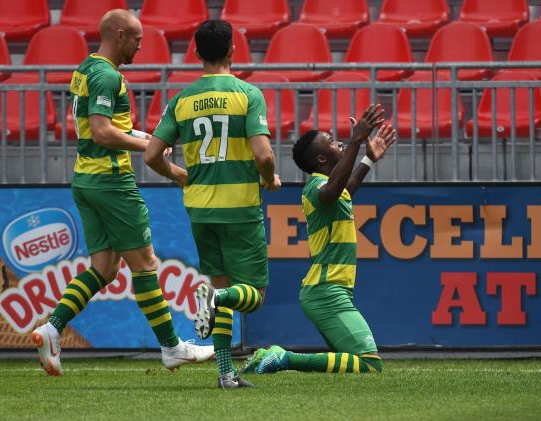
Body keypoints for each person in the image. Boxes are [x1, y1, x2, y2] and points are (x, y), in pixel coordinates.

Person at [31, 9, 213, 376]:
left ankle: (51, 328)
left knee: (104, 268)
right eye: (137, 40)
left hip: (86, 179)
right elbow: (101, 131)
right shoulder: (106, 75)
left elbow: (105, 127)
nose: (140, 47)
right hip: (111, 183)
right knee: (145, 264)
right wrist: (144, 147)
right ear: (119, 35)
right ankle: (171, 347)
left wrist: (144, 136)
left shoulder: (85, 69)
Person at [144, 19, 281, 388]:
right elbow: (264, 156)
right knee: (252, 298)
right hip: (239, 207)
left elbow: (152, 154)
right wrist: (268, 178)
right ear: (233, 50)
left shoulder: (182, 100)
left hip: (201, 208)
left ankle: (225, 373)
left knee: (219, 289)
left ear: (196, 53)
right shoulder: (247, 94)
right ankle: (216, 298)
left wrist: (178, 174)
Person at [242, 105, 396, 375]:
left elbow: (344, 188)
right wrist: (357, 141)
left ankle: (277, 357)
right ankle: (283, 358)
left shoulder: (330, 189)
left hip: (329, 290)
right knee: (370, 364)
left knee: (346, 361)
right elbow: (335, 188)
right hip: (326, 292)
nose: (340, 143)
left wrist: (368, 160)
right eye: (334, 143)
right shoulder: (316, 186)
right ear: (323, 160)